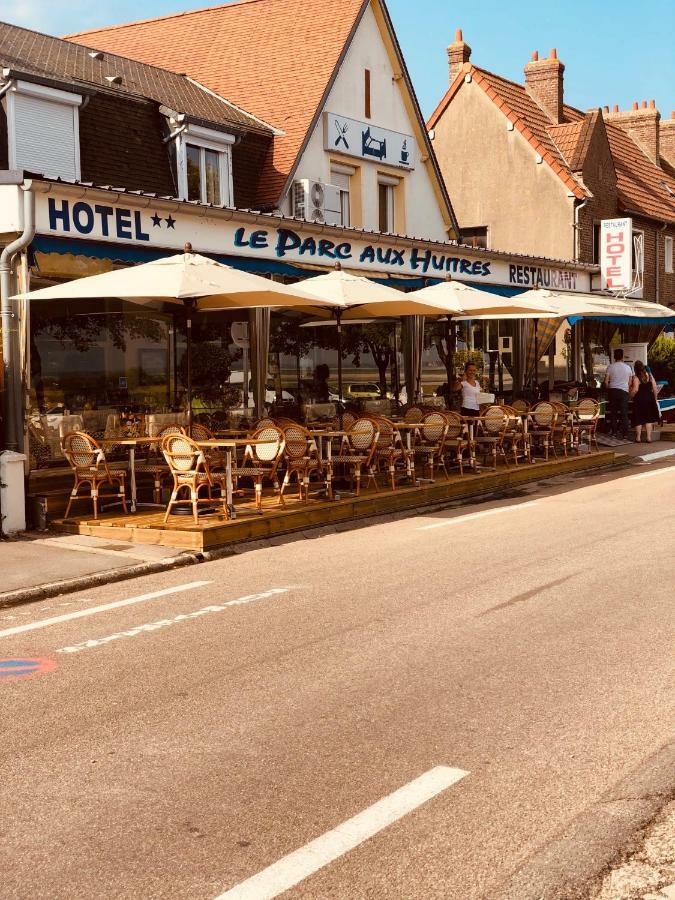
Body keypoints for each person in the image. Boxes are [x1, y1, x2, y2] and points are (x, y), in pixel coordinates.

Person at [604, 349, 632, 438]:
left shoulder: (610, 367)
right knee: (624, 413)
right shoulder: (628, 367)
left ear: (614, 357)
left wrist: (609, 388)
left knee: (613, 413)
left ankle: (614, 432)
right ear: (622, 356)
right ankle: (625, 434)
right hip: (624, 392)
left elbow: (605, 382)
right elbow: (630, 382)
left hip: (613, 391)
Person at [629, 359, 660, 442]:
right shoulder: (649, 375)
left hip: (639, 400)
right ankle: (649, 438)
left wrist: (630, 396)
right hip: (649, 399)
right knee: (648, 419)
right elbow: (655, 388)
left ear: (635, 369)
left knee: (638, 419)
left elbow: (635, 390)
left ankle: (638, 438)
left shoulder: (636, 378)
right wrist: (655, 399)